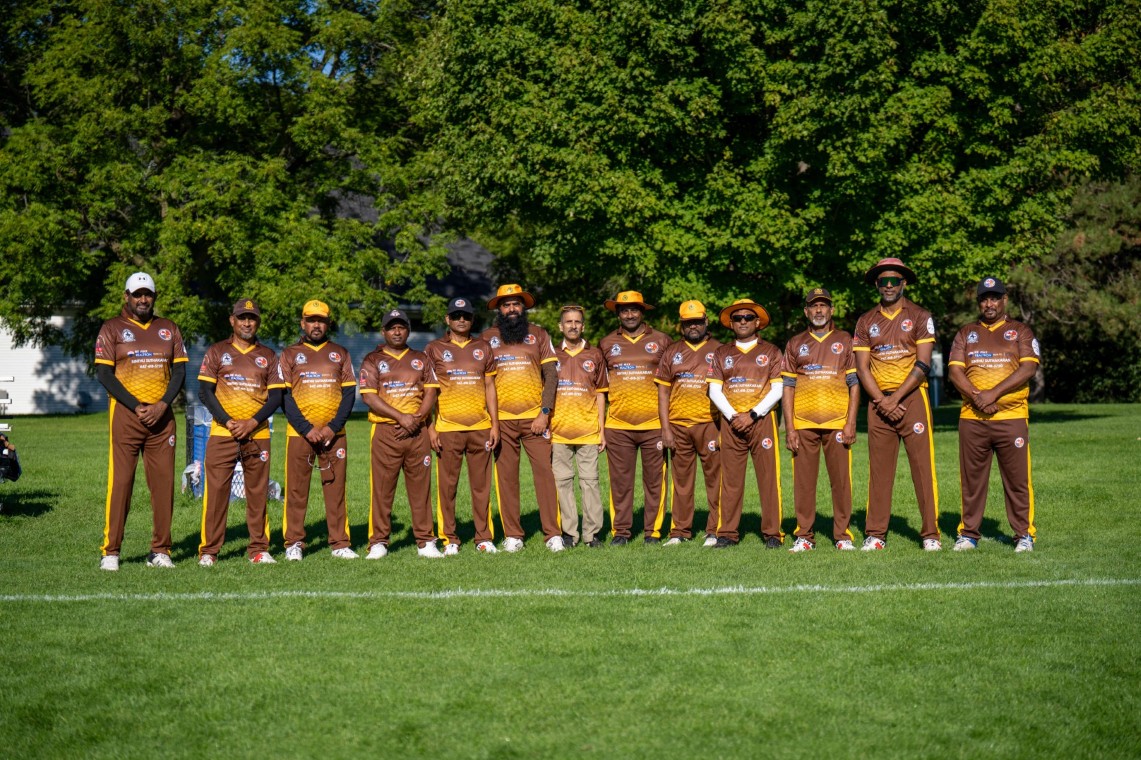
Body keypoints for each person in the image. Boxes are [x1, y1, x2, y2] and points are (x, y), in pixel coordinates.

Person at [94, 272, 189, 571]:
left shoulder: (169, 328)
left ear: (154, 297)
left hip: (162, 418)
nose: (143, 299)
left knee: (163, 485)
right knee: (121, 483)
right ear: (127, 297)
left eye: (147, 294)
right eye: (137, 294)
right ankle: (111, 552)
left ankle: (160, 551)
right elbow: (104, 373)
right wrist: (136, 406)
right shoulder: (111, 328)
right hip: (126, 415)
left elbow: (180, 371)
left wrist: (162, 405)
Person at [853, 258, 941, 551]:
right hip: (879, 402)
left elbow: (923, 364)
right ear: (877, 285)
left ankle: (930, 535)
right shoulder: (865, 320)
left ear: (904, 283)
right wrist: (881, 400)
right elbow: (862, 368)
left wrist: (895, 398)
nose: (888, 286)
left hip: (912, 398)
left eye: (894, 281)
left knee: (922, 469)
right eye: (883, 281)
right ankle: (876, 535)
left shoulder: (920, 316)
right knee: (879, 471)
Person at [948, 277, 1040, 552]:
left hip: (1011, 417)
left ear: (1004, 300)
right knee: (971, 482)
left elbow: (1028, 369)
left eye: (995, 298)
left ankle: (1023, 535)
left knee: (1017, 481)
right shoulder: (966, 333)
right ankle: (968, 535)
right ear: (979, 302)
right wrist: (979, 397)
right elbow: (955, 372)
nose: (989, 304)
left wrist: (993, 394)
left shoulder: (1020, 331)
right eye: (984, 299)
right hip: (972, 418)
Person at [196, 299, 284, 566]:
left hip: (258, 434)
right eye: (242, 317)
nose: (247, 323)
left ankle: (259, 549)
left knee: (257, 494)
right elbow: (205, 392)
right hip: (223, 433)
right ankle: (209, 551)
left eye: (252, 318)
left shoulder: (268, 355)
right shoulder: (217, 351)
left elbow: (276, 396)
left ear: (258, 322)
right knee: (216, 494)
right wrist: (228, 420)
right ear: (232, 320)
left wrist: (252, 422)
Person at [481, 284, 564, 552]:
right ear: (499, 309)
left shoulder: (538, 334)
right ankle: (514, 535)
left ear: (523, 307)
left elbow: (551, 375)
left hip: (535, 420)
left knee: (545, 475)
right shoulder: (486, 338)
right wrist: (492, 422)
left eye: (516, 304)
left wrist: (544, 412)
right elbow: (482, 381)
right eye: (506, 305)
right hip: (502, 422)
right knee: (506, 479)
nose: (512, 309)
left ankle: (553, 534)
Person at [279, 300, 358, 560]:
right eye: (311, 320)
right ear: (302, 323)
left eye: (321, 321)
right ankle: (294, 543)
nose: (316, 325)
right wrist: (306, 428)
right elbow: (284, 396)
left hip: (335, 435)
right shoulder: (289, 354)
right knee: (296, 490)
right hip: (300, 434)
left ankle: (340, 543)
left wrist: (333, 427)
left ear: (328, 323)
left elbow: (349, 394)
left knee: (336, 490)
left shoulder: (340, 353)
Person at [781, 288, 860, 552]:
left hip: (837, 422)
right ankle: (804, 536)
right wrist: (790, 427)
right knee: (804, 483)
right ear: (806, 311)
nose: (818, 310)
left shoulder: (845, 339)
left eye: (823, 305)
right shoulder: (795, 343)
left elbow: (854, 383)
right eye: (814, 306)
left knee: (841, 482)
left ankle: (842, 536)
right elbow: (788, 386)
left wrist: (851, 422)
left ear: (831, 310)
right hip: (803, 423)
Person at [359, 309, 441, 558]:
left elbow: (431, 391)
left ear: (408, 330)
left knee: (421, 489)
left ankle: (425, 541)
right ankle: (379, 542)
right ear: (383, 331)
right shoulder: (372, 359)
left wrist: (417, 418)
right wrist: (400, 417)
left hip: (417, 432)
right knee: (382, 489)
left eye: (401, 327)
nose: (397, 331)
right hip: (386, 431)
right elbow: (369, 396)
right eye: (392, 327)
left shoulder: (421, 358)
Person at [706, 298, 785, 548]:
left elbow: (778, 389)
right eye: (737, 318)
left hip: (762, 420)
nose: (743, 321)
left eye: (748, 317)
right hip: (731, 423)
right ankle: (727, 533)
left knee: (769, 479)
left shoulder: (771, 351)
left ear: (757, 322)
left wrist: (752, 414)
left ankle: (773, 534)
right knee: (730, 480)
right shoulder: (722, 353)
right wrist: (733, 416)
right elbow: (714, 390)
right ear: (731, 323)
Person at [424, 297, 500, 554]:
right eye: (456, 316)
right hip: (447, 428)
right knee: (447, 488)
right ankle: (450, 539)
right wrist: (430, 428)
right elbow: (428, 392)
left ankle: (484, 538)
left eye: (466, 316)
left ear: (472, 319)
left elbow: (490, 387)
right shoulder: (434, 349)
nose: (461, 320)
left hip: (480, 427)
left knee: (481, 487)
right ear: (447, 319)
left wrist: (495, 425)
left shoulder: (483, 347)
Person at [599, 291, 671, 545]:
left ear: (642, 312)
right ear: (618, 314)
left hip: (654, 424)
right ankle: (621, 532)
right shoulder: (606, 343)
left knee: (655, 482)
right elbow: (599, 385)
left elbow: (671, 382)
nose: (629, 314)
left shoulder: (662, 340)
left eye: (634, 309)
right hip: (618, 425)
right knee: (620, 483)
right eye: (624, 310)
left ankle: (653, 531)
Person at [654, 300, 722, 546]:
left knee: (716, 480)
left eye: (697, 321)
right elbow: (663, 392)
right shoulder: (671, 351)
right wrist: (665, 428)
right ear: (681, 325)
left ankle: (715, 530)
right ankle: (680, 531)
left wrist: (724, 427)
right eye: (688, 323)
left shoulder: (720, 350)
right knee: (681, 481)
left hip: (710, 424)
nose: (693, 326)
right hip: (679, 426)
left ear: (706, 321)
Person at [550, 305, 608, 548]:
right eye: (568, 322)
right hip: (558, 432)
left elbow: (601, 394)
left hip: (588, 430)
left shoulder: (595, 355)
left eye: (577, 322)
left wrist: (602, 430)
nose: (573, 326)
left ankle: (591, 534)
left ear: (583, 326)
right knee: (562, 483)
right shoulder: (551, 354)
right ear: (560, 326)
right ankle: (569, 534)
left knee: (590, 482)